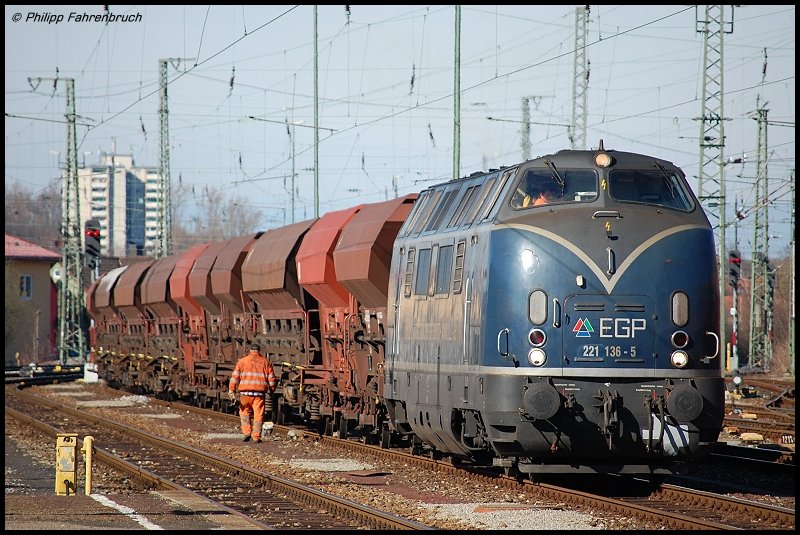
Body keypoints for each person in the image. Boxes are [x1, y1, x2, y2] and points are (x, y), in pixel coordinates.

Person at [228, 342, 277, 443]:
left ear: (250, 350)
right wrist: (272, 389)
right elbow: (271, 379)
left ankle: (246, 433)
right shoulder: (265, 362)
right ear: (259, 351)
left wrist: (231, 390)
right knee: (258, 415)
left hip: (245, 394)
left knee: (244, 413)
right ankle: (256, 436)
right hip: (259, 395)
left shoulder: (242, 361)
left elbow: (234, 377)